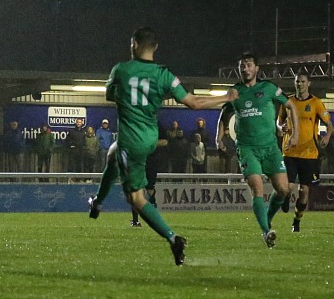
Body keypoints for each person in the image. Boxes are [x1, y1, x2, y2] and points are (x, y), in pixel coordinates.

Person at [88, 27, 237, 266]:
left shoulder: (121, 69)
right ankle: (97, 203)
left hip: (131, 140)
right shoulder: (164, 74)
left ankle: (173, 237)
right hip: (149, 138)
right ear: (155, 47)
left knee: (136, 198)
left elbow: (110, 95)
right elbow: (195, 103)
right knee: (112, 155)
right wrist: (226, 98)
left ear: (133, 44)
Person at [218, 52, 299, 248]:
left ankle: (267, 220)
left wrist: (295, 134)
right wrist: (219, 135)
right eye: (242, 66)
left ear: (256, 69)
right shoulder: (235, 92)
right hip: (247, 148)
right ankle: (266, 231)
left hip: (270, 147)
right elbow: (225, 113)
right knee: (257, 187)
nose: (245, 69)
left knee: (283, 189)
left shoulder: (269, 88)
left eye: (248, 65)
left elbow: (291, 106)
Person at [276, 71, 333, 233]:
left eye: (302, 81)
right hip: (289, 151)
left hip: (309, 154)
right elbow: (279, 123)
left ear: (308, 84)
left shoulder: (316, 103)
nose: (299, 84)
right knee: (288, 185)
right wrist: (281, 127)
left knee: (304, 191)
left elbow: (329, 125)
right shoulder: (288, 102)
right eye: (297, 82)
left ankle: (296, 221)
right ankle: (286, 196)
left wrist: (327, 137)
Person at [131, 121, 167, 227]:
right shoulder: (135, 123)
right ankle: (135, 220)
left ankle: (153, 214)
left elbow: (165, 141)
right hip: (137, 160)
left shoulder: (156, 124)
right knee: (136, 189)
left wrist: (151, 144)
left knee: (150, 189)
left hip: (151, 160)